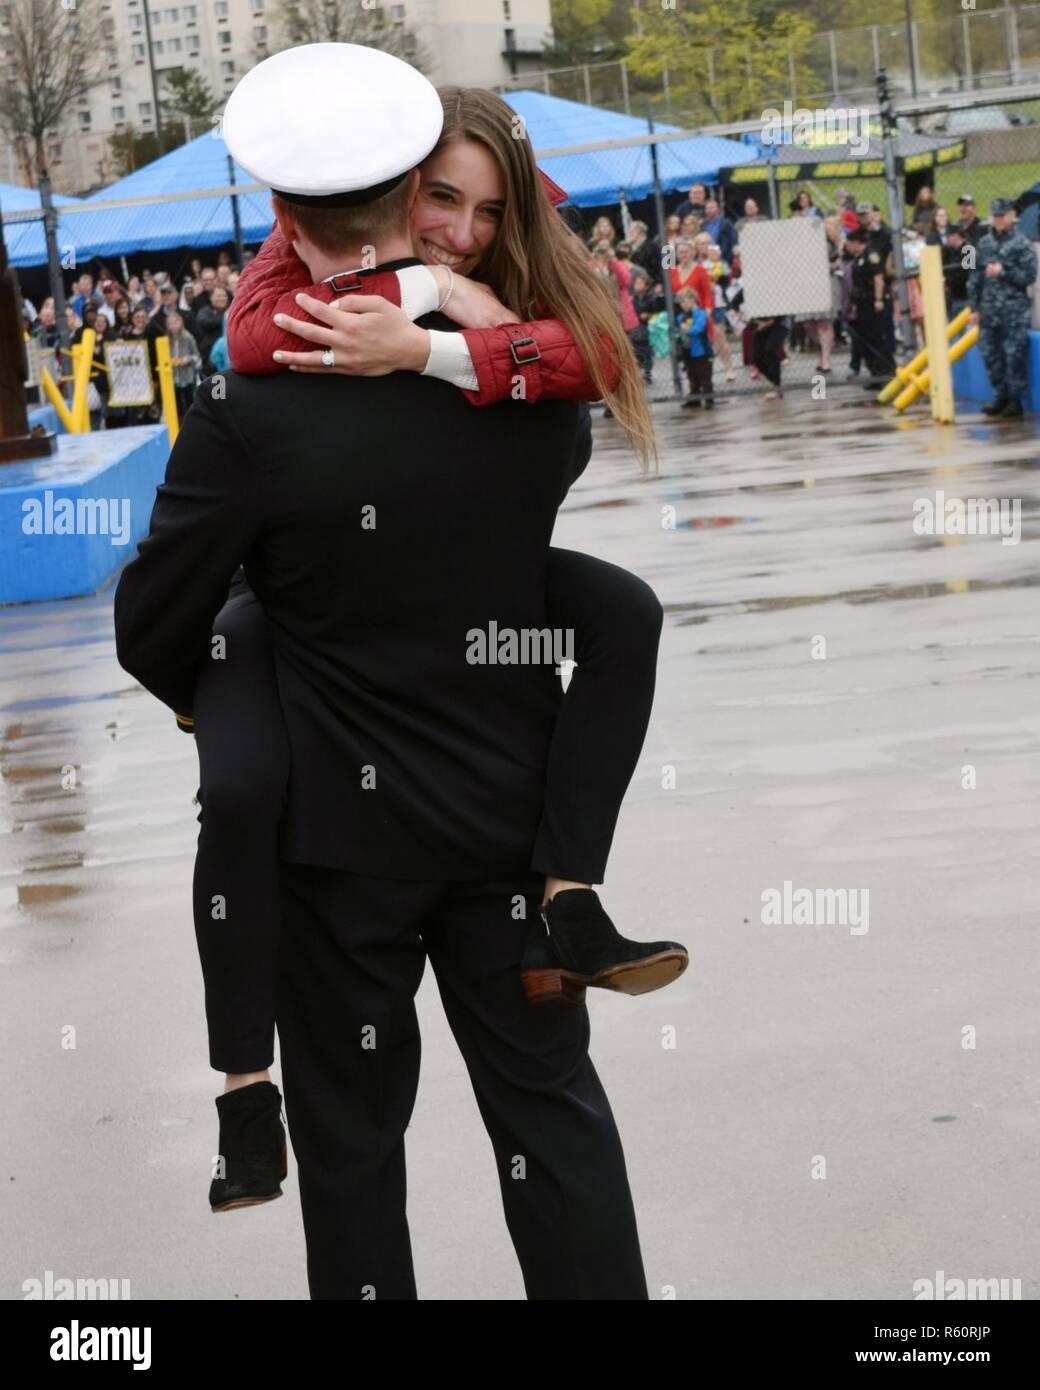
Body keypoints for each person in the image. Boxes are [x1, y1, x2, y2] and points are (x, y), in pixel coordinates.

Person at [116, 46, 677, 1301]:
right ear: (408, 195)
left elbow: (152, 617)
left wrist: (231, 688)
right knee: (553, 1126)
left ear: (284, 213)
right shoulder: (533, 394)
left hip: (338, 850)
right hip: (510, 833)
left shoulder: (245, 416)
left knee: (356, 1154)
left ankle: (240, 1091)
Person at [969, 197, 1038, 419]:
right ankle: (1000, 396)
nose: (998, 220)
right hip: (989, 311)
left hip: (1013, 311)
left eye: (1002, 215)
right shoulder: (982, 243)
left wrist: (1003, 273)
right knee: (990, 355)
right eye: (995, 216)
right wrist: (974, 308)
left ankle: (1015, 400)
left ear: (1011, 216)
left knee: (1013, 356)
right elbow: (974, 276)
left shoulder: (1022, 244)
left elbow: (1029, 277)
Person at [844, 226, 894, 383]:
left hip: (872, 301)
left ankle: (886, 371)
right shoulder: (858, 258)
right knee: (865, 339)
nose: (848, 247)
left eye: (849, 243)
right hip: (862, 302)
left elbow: (878, 278)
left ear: (856, 242)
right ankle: (875, 373)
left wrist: (878, 299)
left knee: (876, 338)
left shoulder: (871, 255)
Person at [675, 286, 713, 408]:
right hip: (687, 351)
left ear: (692, 299)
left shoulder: (700, 314)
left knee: (704, 375)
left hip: (700, 351)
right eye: (680, 302)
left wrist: (688, 330)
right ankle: (694, 398)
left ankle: (709, 399)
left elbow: (699, 328)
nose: (682, 304)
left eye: (684, 301)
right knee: (692, 375)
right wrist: (679, 333)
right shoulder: (681, 317)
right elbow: (678, 331)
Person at [164, 308, 203, 419]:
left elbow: (197, 357)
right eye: (170, 324)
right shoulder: (166, 339)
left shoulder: (188, 337)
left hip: (187, 376)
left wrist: (188, 359)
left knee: (189, 402)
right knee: (177, 405)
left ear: (181, 322)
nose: (173, 326)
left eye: (175, 322)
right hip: (173, 377)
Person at [702, 196, 737, 261]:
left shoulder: (726, 223)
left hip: (723, 257)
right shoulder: (703, 225)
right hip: (707, 258)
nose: (709, 210)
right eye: (707, 208)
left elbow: (733, 240)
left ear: (718, 209)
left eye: (711, 208)